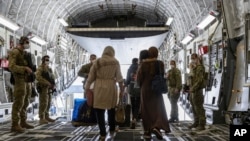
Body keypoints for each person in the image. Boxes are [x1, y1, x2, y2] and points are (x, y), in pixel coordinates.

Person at [85, 46, 124, 141]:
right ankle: (112, 129)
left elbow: (90, 77)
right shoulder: (115, 62)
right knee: (111, 109)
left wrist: (87, 88)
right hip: (111, 87)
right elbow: (119, 77)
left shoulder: (97, 62)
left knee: (99, 111)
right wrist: (122, 89)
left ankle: (102, 133)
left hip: (99, 87)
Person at [137, 46, 171, 140]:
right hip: (156, 89)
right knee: (157, 109)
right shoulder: (160, 64)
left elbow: (139, 79)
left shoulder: (143, 65)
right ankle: (156, 127)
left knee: (146, 110)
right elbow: (162, 74)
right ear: (157, 54)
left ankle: (147, 132)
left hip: (145, 89)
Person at [8, 36, 35, 133]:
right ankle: (15, 124)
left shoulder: (25, 53)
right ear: (22, 42)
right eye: (27, 42)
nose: (28, 44)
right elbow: (11, 66)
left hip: (27, 80)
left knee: (26, 101)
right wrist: (24, 68)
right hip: (19, 80)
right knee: (19, 101)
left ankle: (23, 121)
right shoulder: (14, 52)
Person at [36, 55, 56, 125]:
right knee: (43, 102)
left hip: (49, 88)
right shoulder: (40, 68)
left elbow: (52, 77)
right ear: (43, 60)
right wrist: (46, 82)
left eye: (48, 60)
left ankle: (46, 116)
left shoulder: (49, 69)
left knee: (48, 102)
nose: (47, 61)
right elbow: (38, 77)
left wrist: (53, 85)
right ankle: (41, 117)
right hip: (43, 87)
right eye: (46, 60)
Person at [189, 53, 206, 130]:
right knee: (194, 107)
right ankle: (196, 122)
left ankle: (202, 124)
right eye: (192, 59)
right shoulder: (194, 68)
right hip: (192, 90)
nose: (193, 60)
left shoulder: (200, 68)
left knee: (198, 107)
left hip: (197, 90)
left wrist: (194, 88)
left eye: (194, 59)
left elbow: (199, 80)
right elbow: (190, 78)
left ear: (197, 59)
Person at [125, 58, 140, 129]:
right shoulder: (140, 68)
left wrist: (125, 86)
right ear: (137, 61)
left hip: (131, 87)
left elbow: (127, 79)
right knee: (138, 104)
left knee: (133, 104)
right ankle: (135, 118)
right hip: (139, 87)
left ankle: (133, 117)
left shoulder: (129, 69)